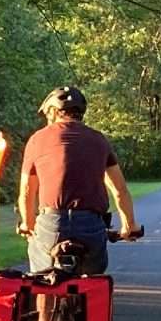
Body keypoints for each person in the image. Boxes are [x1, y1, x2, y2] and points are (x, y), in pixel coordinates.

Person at [16, 84, 142, 272]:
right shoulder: (99, 140)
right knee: (92, 280)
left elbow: (27, 191)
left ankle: (43, 297)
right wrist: (129, 226)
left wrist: (28, 224)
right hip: (90, 225)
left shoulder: (37, 140)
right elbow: (119, 190)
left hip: (51, 223)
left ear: (52, 112)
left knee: (41, 279)